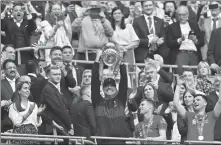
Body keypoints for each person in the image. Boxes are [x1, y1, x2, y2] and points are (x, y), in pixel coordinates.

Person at [91, 49, 128, 144]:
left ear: (116, 88)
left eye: (112, 86)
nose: (109, 87)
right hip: (102, 142)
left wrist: (121, 62)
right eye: (106, 86)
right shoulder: (97, 101)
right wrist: (96, 60)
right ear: (103, 89)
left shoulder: (121, 100)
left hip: (119, 142)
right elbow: (94, 83)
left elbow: (124, 82)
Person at [174, 75, 221, 141]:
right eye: (194, 101)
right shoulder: (189, 115)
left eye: (198, 100)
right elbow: (176, 104)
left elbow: (220, 101)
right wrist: (178, 85)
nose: (195, 101)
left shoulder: (212, 115)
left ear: (205, 103)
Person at [72, 1, 114, 69]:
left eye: (95, 6)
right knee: (85, 75)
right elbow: (73, 28)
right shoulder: (83, 19)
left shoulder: (104, 19)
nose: (93, 8)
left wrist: (103, 20)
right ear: (88, 7)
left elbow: (110, 33)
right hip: (85, 54)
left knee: (100, 76)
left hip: (101, 54)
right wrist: (82, 16)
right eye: (92, 6)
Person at [40, 66, 74, 143]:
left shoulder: (54, 88)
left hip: (60, 127)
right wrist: (70, 125)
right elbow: (59, 109)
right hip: (56, 128)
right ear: (48, 76)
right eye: (55, 74)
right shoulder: (48, 89)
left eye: (59, 74)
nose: (58, 76)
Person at [167, 5, 204, 72]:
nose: (181, 17)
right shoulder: (172, 27)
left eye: (183, 15)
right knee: (181, 75)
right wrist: (179, 40)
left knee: (196, 74)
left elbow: (202, 42)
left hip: (194, 54)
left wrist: (195, 40)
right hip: (181, 53)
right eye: (179, 15)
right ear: (176, 15)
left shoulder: (194, 24)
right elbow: (169, 43)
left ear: (188, 14)